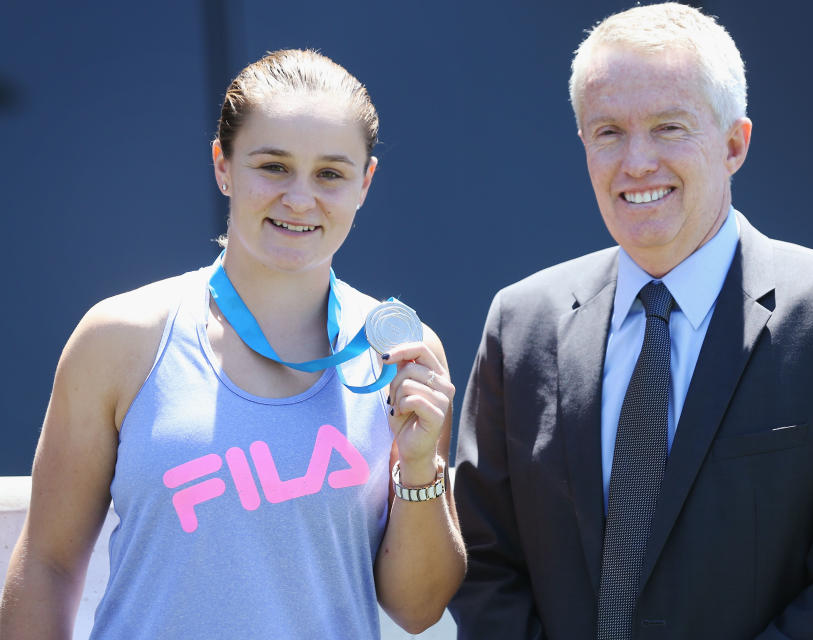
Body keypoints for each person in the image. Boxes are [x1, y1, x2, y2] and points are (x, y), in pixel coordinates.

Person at [448, 3, 813, 639]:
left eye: (669, 127)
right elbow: (484, 566)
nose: (637, 162)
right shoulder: (521, 324)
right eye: (608, 131)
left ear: (734, 143)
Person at [0, 49, 465, 639]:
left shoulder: (403, 355)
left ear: (365, 182)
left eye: (330, 173)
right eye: (272, 166)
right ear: (223, 165)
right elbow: (48, 563)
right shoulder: (119, 340)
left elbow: (418, 610)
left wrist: (420, 465)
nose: (300, 198)